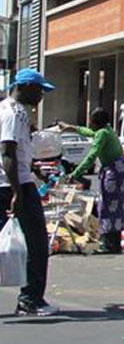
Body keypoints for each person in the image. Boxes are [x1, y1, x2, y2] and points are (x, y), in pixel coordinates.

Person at [0, 69, 58, 317]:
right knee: (36, 244)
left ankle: (30, 298)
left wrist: (35, 170)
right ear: (23, 87)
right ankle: (30, 300)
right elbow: (7, 153)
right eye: (39, 90)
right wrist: (17, 191)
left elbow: (18, 154)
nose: (42, 95)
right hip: (14, 186)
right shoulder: (13, 114)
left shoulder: (14, 112)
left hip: (15, 182)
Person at [59, 108, 124, 253]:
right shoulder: (105, 130)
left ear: (95, 122)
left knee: (107, 205)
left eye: (91, 120)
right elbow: (89, 133)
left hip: (115, 171)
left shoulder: (102, 134)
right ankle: (114, 244)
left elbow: (92, 155)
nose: (89, 123)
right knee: (117, 205)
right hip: (122, 168)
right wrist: (72, 128)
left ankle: (109, 245)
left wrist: (75, 173)